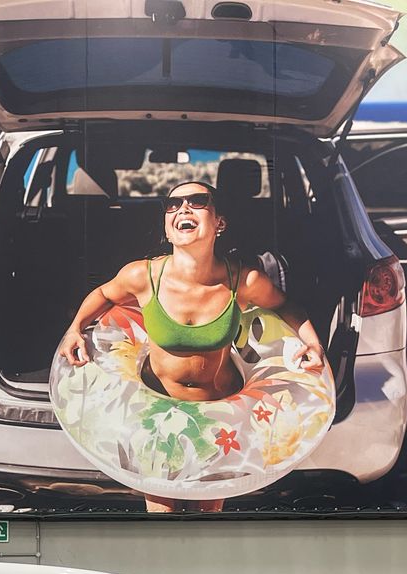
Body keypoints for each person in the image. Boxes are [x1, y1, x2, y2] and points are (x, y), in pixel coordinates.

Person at [56, 179, 327, 512]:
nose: (183, 208)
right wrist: (74, 328)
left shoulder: (243, 281)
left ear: (219, 223)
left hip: (218, 416)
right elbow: (103, 294)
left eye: (197, 201)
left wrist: (312, 342)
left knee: (207, 519)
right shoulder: (143, 276)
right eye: (173, 204)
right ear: (167, 229)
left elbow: (285, 305)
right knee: (162, 516)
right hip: (156, 417)